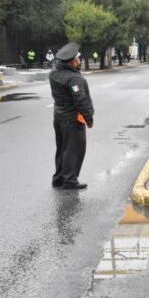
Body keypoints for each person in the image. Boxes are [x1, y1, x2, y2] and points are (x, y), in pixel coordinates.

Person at [49, 42, 94, 190]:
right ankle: (70, 180)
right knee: (74, 150)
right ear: (73, 61)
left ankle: (59, 178)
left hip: (59, 117)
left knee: (62, 148)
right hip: (73, 120)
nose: (80, 61)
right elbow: (80, 100)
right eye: (78, 58)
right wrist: (89, 118)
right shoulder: (75, 79)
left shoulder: (54, 74)